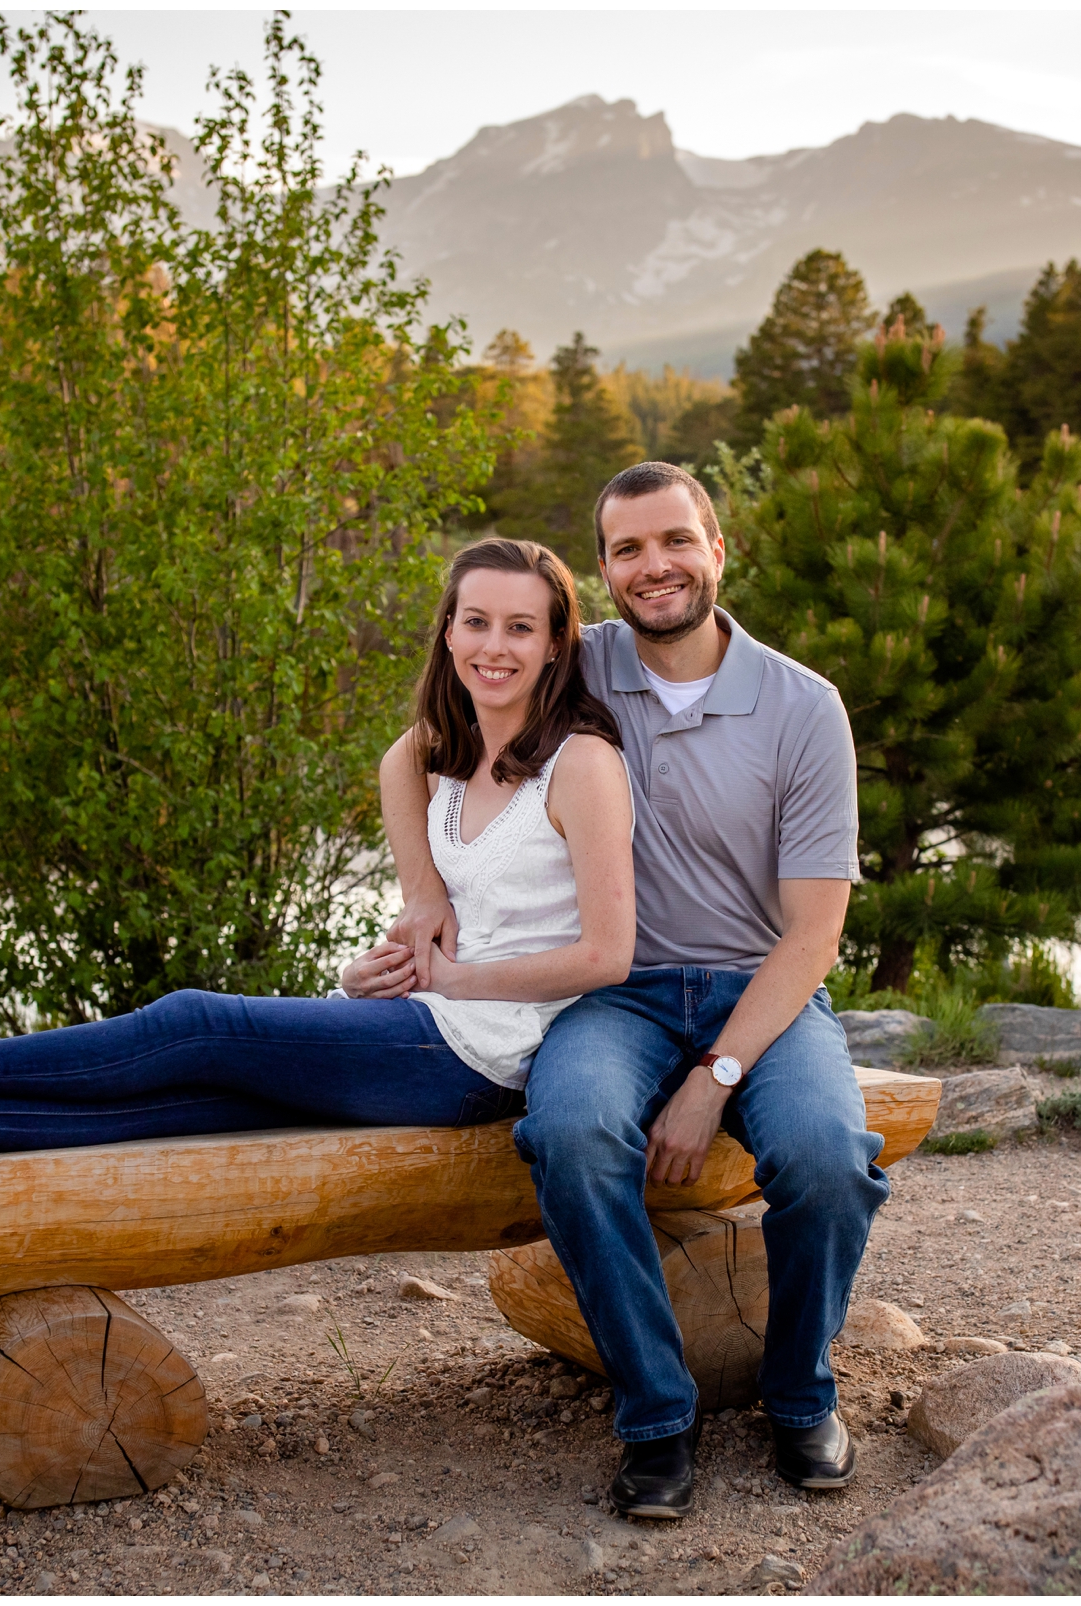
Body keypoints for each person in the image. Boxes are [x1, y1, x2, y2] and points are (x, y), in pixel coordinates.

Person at [0, 537, 634, 1168]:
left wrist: (450, 979)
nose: (495, 646)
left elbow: (607, 954)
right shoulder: (448, 746)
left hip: (483, 1056)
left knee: (193, 1023)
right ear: (448, 632)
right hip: (428, 1022)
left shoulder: (582, 763)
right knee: (189, 1103)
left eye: (521, 628)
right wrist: (422, 898)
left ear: (559, 641)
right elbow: (398, 759)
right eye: (476, 622)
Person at [382, 461, 882, 1520]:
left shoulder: (802, 706)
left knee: (827, 1158)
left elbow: (815, 934)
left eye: (675, 541)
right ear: (603, 570)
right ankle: (659, 1415)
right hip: (613, 995)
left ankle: (800, 1393)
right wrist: (423, 895)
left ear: (717, 549)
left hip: (763, 993)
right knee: (570, 1132)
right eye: (627, 549)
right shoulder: (577, 667)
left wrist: (716, 1078)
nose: (654, 566)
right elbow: (413, 749)